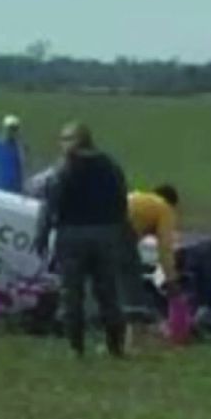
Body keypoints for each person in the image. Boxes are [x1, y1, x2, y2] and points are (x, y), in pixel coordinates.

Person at [33, 122, 128, 358]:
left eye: (65, 140)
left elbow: (49, 205)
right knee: (108, 292)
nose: (62, 145)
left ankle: (76, 348)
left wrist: (41, 236)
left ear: (74, 142)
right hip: (106, 234)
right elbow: (122, 201)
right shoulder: (110, 165)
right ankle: (115, 346)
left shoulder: (64, 169)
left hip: (72, 235)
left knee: (72, 293)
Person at [125, 184, 181, 318]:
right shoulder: (164, 208)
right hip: (120, 232)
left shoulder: (138, 198)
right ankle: (134, 314)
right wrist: (171, 280)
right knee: (129, 274)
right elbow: (165, 249)